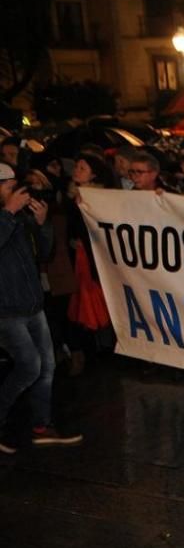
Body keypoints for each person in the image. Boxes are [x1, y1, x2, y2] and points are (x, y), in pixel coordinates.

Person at [0, 163, 83, 452]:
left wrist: (42, 223)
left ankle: (41, 425)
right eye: (8, 186)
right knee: (29, 367)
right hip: (7, 309)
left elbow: (44, 253)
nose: (16, 191)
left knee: (46, 366)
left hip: (32, 304)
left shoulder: (18, 216)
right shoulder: (8, 215)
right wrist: (8, 212)